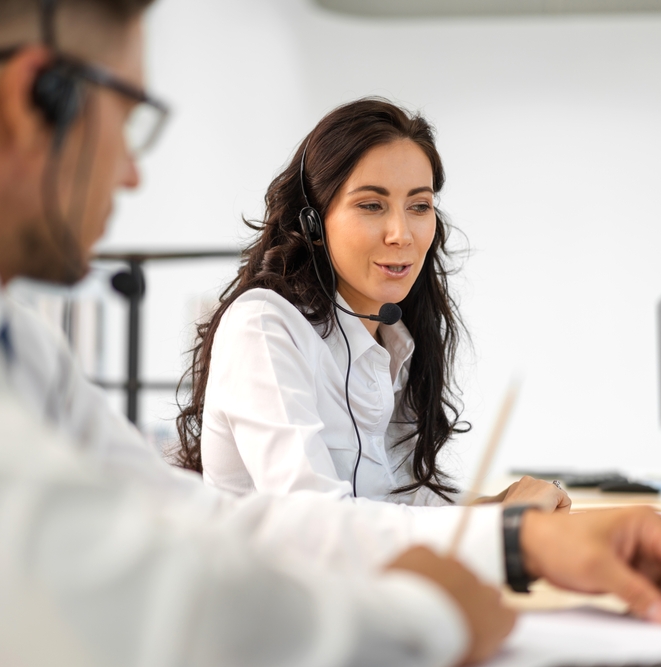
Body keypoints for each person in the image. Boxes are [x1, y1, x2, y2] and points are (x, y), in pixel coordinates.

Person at [0, 0, 661, 664]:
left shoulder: (7, 337)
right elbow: (139, 608)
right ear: (35, 101)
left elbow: (204, 524)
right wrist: (429, 617)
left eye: (420, 207)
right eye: (130, 118)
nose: (135, 170)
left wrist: (515, 542)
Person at [178, 98, 570, 512]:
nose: (401, 234)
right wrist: (496, 527)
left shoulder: (393, 338)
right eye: (371, 205)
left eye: (419, 206)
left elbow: (399, 497)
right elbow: (318, 522)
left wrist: (500, 508)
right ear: (312, 220)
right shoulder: (263, 327)